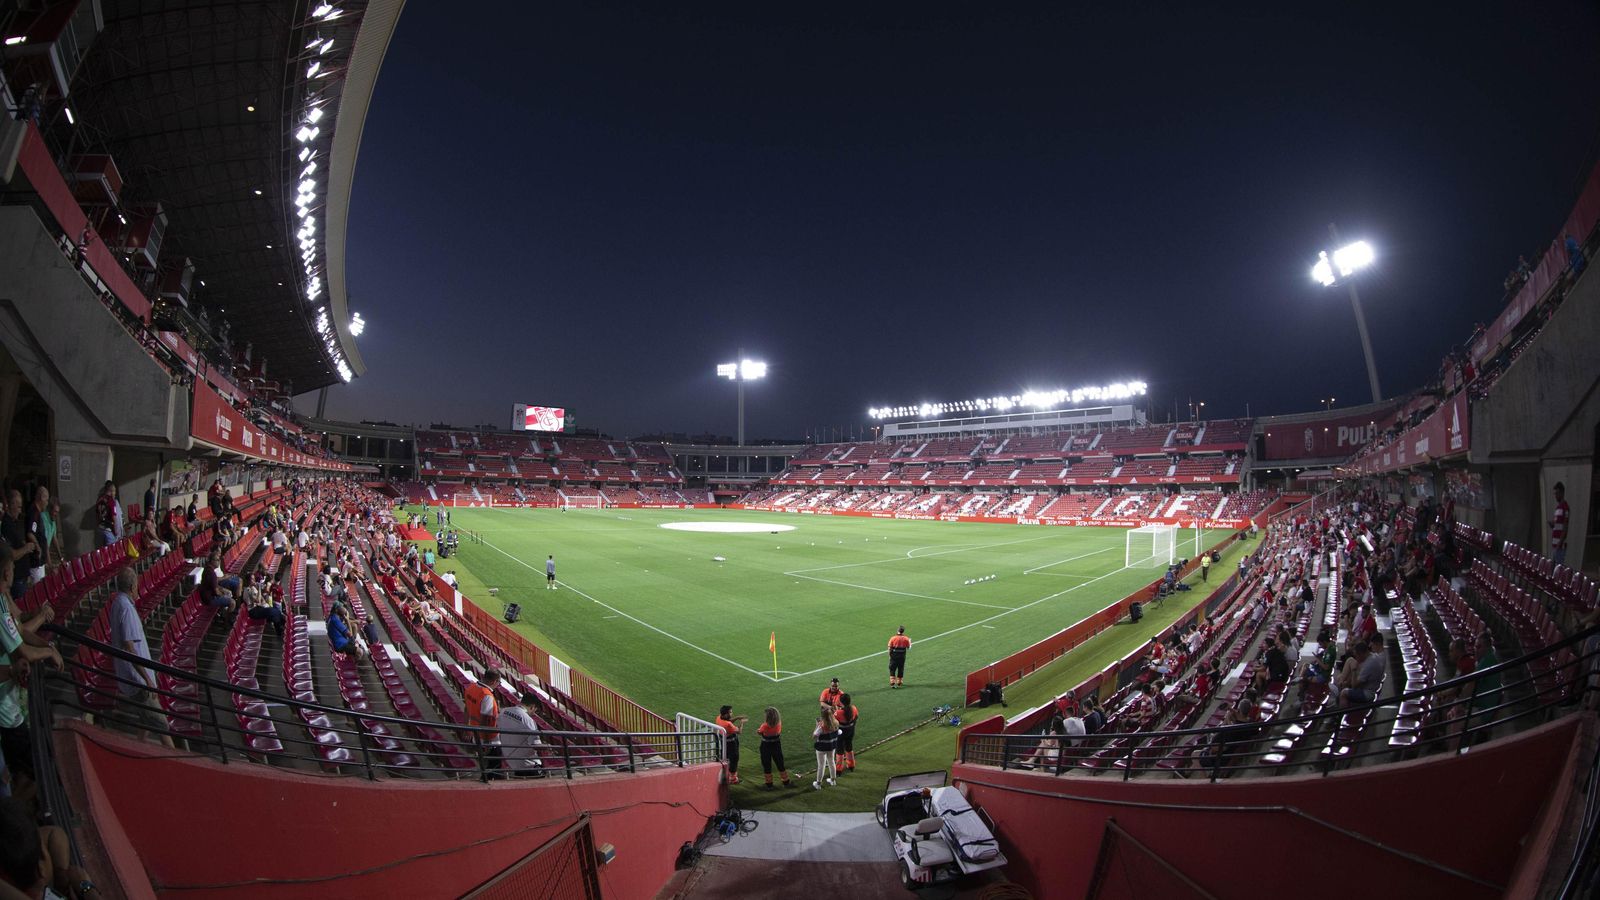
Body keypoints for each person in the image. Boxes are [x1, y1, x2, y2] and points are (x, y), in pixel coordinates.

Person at [109, 567, 172, 748]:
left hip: (136, 678)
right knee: (162, 726)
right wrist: (147, 679)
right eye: (137, 585)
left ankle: (139, 745)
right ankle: (177, 765)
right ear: (132, 586)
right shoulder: (126, 608)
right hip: (138, 680)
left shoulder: (117, 603)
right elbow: (129, 648)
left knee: (146, 717)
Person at [497, 692, 544, 777]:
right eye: (534, 711)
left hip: (510, 761)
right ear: (532, 707)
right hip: (528, 765)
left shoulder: (503, 712)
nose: (533, 713)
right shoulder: (528, 720)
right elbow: (536, 745)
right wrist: (547, 746)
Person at [464, 670, 503, 771]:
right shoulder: (487, 696)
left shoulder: (471, 687)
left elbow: (466, 709)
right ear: (494, 681)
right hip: (489, 740)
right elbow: (486, 721)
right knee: (494, 768)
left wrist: (466, 729)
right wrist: (487, 743)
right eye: (499, 683)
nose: (498, 685)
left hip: (474, 732)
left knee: (486, 766)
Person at [0, 494, 36, 601]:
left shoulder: (14, 523)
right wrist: (26, 548)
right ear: (12, 505)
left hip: (21, 577)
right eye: (19, 507)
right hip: (16, 579)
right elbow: (10, 554)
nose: (20, 511)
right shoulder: (6, 525)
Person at [756, 706, 792, 789]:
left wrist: (758, 731)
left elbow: (760, 732)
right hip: (776, 744)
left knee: (766, 764)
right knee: (780, 762)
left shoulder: (764, 725)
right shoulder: (779, 723)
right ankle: (786, 781)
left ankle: (769, 784)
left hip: (766, 746)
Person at [715, 705, 747, 785]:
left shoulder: (719, 718)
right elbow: (739, 731)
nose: (732, 713)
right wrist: (741, 723)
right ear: (725, 714)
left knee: (725, 756)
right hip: (731, 743)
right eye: (730, 712)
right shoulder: (728, 725)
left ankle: (724, 773)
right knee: (734, 759)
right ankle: (733, 779)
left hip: (723, 741)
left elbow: (728, 721)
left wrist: (737, 718)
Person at [812, 707, 839, 790]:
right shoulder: (836, 723)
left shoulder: (821, 726)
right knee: (831, 762)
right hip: (831, 746)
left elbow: (814, 736)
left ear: (823, 716)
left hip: (822, 748)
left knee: (821, 765)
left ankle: (818, 784)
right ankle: (833, 780)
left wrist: (817, 726)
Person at [834, 693, 859, 773]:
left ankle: (838, 769)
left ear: (841, 702)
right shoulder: (854, 708)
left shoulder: (839, 713)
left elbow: (833, 722)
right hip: (851, 731)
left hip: (841, 733)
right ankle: (851, 765)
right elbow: (856, 718)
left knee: (839, 750)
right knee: (849, 747)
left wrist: (835, 710)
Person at [1549, 482, 1569, 566]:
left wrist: (1559, 544)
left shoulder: (1565, 507)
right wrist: (1552, 524)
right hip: (1554, 544)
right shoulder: (1557, 508)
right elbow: (1556, 525)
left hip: (1559, 546)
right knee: (1552, 569)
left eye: (1557, 493)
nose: (1555, 496)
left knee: (1558, 570)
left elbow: (1565, 528)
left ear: (1562, 493)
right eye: (1555, 494)